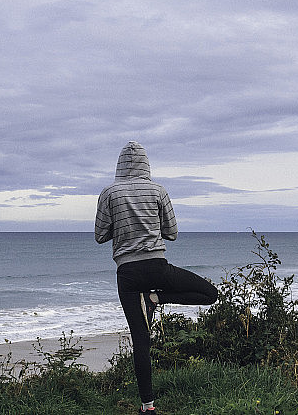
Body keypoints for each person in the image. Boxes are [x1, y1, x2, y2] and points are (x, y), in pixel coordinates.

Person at [95, 141, 218, 414]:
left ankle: (147, 407)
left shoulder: (109, 193)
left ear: (119, 164)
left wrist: (124, 227)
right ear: (145, 164)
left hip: (127, 274)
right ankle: (155, 298)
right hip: (156, 266)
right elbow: (172, 233)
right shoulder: (158, 191)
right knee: (210, 294)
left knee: (141, 341)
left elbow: (100, 236)